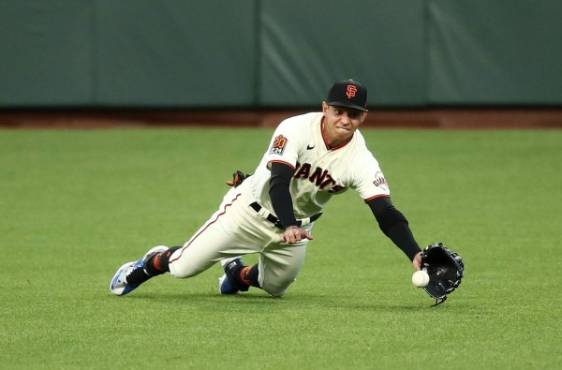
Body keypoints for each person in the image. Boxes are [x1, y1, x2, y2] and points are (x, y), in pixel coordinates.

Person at [109, 79, 423, 298]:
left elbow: (385, 212)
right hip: (247, 212)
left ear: (363, 116)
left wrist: (414, 253)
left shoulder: (361, 160)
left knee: (275, 288)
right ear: (325, 108)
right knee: (182, 269)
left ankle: (236, 274)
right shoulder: (295, 128)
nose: (345, 119)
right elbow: (279, 180)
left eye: (353, 114)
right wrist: (286, 223)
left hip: (296, 230)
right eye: (338, 110)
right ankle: (149, 264)